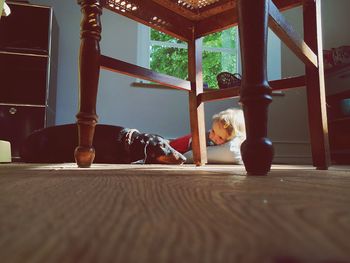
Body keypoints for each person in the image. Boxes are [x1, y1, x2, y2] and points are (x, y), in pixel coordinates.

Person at [170, 108, 246, 164]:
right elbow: (192, 152)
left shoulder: (230, 146)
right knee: (170, 146)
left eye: (220, 137)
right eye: (213, 131)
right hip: (184, 143)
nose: (213, 137)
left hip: (182, 148)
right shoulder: (205, 138)